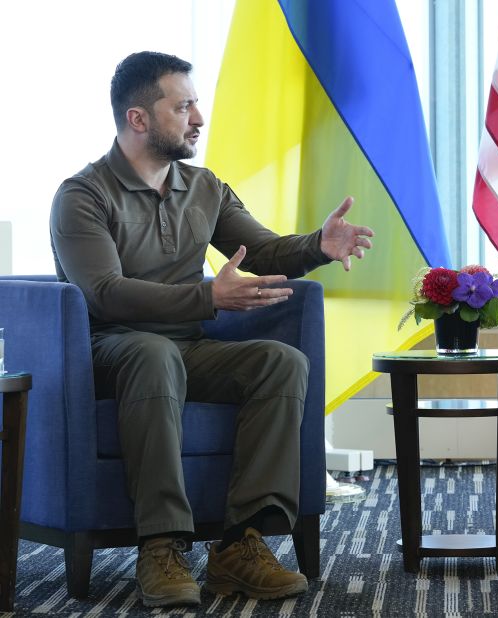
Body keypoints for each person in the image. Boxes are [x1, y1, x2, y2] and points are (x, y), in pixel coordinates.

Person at [49, 51, 374, 607]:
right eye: (184, 106)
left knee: (281, 362)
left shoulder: (204, 187)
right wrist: (207, 295)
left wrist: (317, 246)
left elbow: (266, 249)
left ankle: (240, 545)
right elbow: (103, 291)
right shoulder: (82, 196)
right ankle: (161, 545)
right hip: (111, 348)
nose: (198, 117)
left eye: (196, 104)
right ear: (139, 119)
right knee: (153, 354)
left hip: (187, 348)